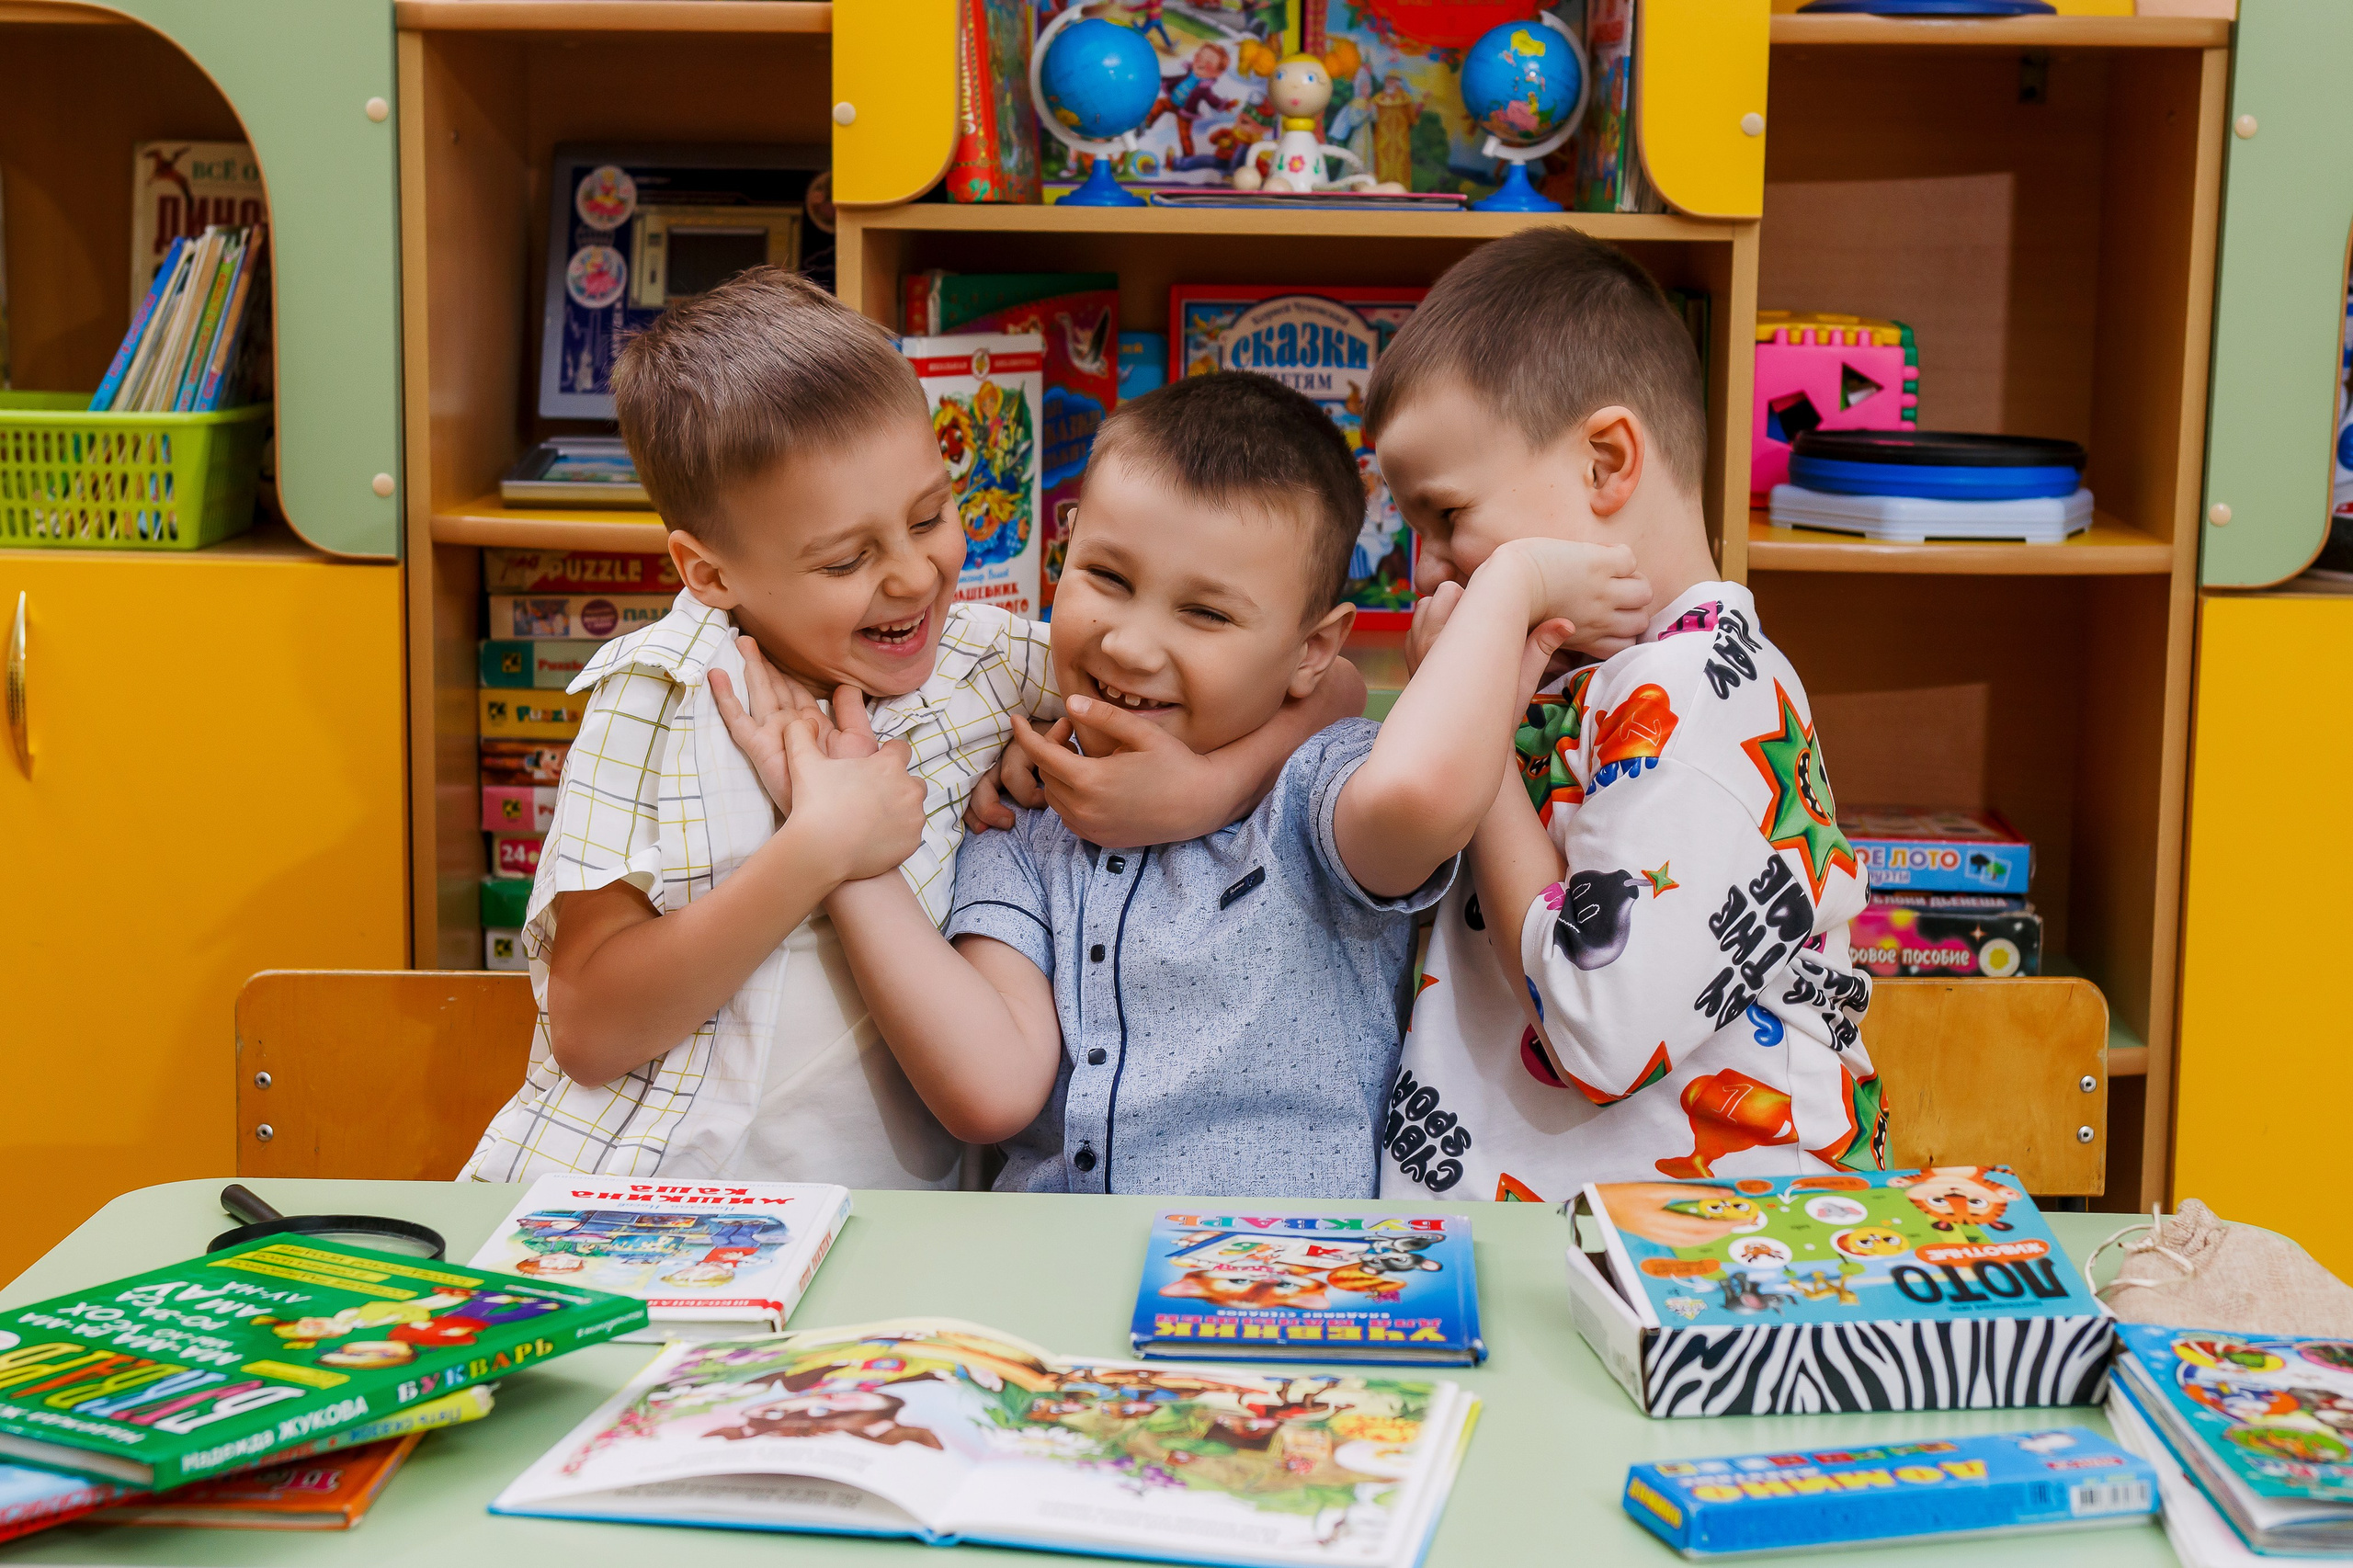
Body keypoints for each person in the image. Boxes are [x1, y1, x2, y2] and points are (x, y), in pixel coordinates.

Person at [460, 268, 1354, 1188]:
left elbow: (1332, 687)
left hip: (878, 1232)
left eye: (930, 514)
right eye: (848, 557)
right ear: (710, 571)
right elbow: (591, 1029)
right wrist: (817, 848)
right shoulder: (655, 694)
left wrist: (1205, 789)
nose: (913, 576)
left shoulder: (986, 657)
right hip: (626, 1204)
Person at [787, 371, 1648, 1198]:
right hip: (1050, 1292)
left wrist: (1512, 586)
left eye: (1204, 613)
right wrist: (848, 850)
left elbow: (1418, 801)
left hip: (1287, 1291)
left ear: (1313, 649)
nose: (1127, 643)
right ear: (1064, 549)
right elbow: (991, 1089)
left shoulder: (1318, 793)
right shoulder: (1024, 817)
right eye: (1107, 578)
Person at [1361, 228, 1883, 1205]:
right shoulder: (1576, 679)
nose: (1424, 568)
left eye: (1445, 515)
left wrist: (1482, 758)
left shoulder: (1704, 694)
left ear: (1606, 463)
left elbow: (1598, 1029)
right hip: (1560, 1260)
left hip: (1717, 1271)